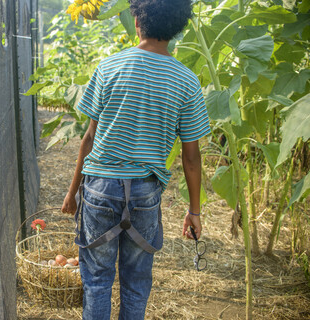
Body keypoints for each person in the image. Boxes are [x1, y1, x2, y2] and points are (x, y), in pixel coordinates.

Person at [60, 0, 211, 319]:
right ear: (176, 28)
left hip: (100, 188)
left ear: (137, 20)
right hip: (145, 193)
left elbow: (88, 139)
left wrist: (73, 192)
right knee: (137, 283)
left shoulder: (109, 67)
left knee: (98, 282)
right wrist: (194, 211)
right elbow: (192, 157)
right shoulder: (186, 81)